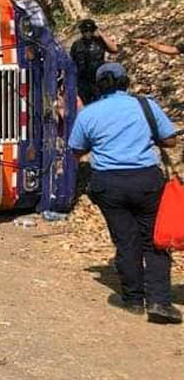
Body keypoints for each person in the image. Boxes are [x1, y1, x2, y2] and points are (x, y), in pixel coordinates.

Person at [68, 63, 181, 324]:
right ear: (125, 82)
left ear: (99, 85)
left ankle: (132, 299)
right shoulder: (145, 105)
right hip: (146, 181)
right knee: (155, 240)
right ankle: (160, 301)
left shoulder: (89, 114)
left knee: (125, 240)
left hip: (108, 184)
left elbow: (77, 150)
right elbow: (170, 140)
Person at [70, 19, 118, 105]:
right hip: (83, 81)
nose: (88, 33)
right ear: (82, 31)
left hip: (99, 78)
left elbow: (114, 49)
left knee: (104, 101)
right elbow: (72, 63)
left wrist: (101, 34)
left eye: (90, 30)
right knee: (88, 103)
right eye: (85, 30)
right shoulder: (76, 45)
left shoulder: (99, 41)